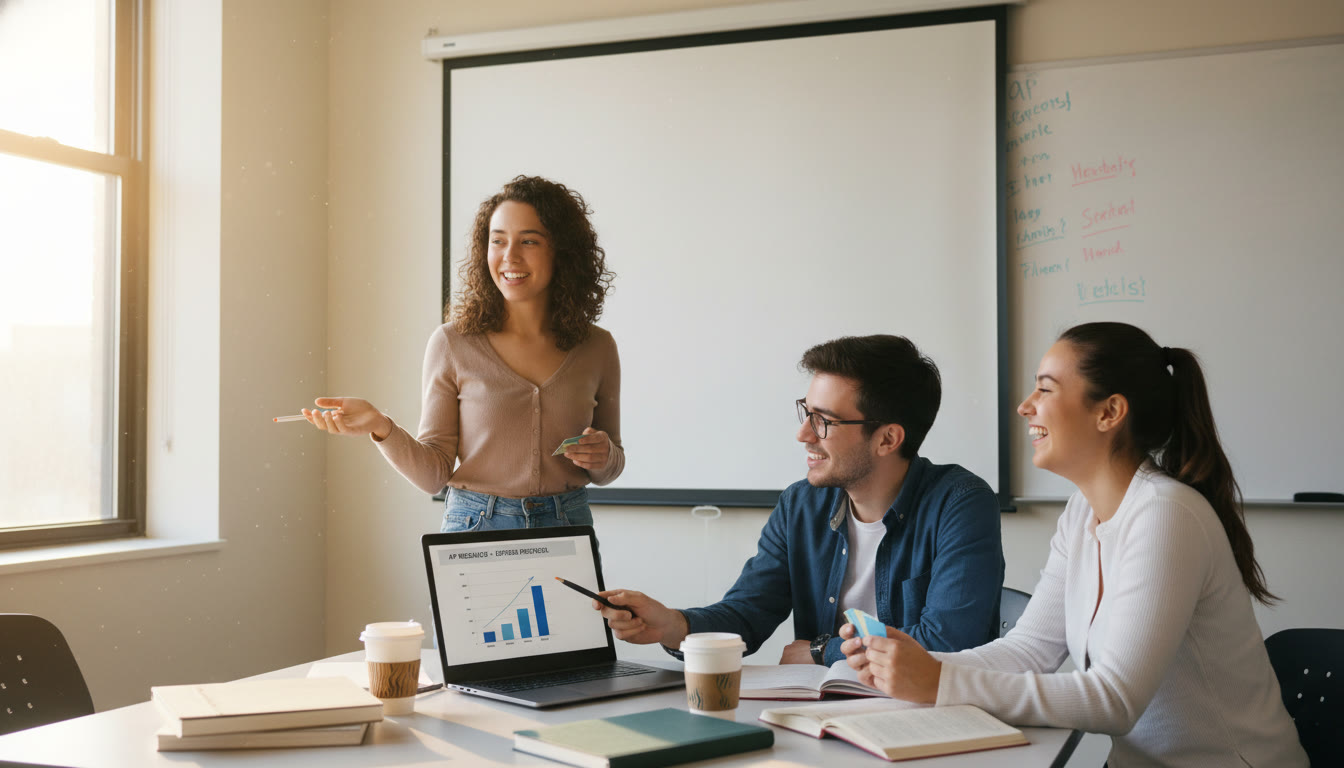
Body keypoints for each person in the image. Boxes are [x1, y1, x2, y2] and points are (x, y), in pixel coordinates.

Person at [841, 322, 1307, 767]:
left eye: (1045, 389)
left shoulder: (1167, 514)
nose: (1026, 406)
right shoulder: (1082, 511)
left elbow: (1115, 700)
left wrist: (939, 681)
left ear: (1109, 412)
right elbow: (1028, 651)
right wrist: (915, 665)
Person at [592, 335, 1004, 665]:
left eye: (823, 420)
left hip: (922, 720)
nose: (803, 434)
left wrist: (820, 651)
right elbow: (747, 614)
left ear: (887, 439)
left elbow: (948, 642)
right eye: (805, 412)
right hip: (825, 714)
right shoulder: (802, 505)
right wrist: (671, 624)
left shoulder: (960, 503)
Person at [303, 175, 624, 531]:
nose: (509, 256)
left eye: (529, 241)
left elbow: (609, 467)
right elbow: (433, 475)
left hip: (568, 525)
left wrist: (604, 455)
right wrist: (381, 427)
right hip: (476, 524)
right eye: (497, 241)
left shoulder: (598, 347)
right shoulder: (452, 343)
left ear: (562, 251)